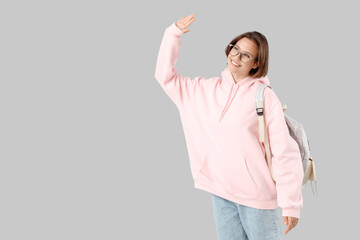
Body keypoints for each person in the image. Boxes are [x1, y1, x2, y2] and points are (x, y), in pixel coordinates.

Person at [154, 14, 304, 240]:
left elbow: (284, 151)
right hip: (221, 194)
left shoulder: (264, 96)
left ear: (256, 63)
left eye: (246, 55)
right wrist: (172, 34)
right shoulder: (203, 90)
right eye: (235, 49)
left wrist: (291, 204)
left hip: (257, 201)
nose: (237, 56)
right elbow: (165, 77)